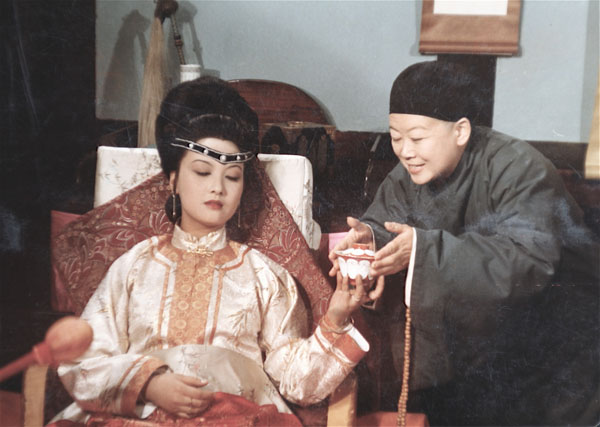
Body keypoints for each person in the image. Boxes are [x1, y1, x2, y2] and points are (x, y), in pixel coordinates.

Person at [52, 76, 383, 426]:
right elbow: (82, 362)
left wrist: (336, 318)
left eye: (233, 176)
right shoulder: (133, 267)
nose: (218, 188)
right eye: (202, 171)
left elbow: (297, 383)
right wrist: (149, 383)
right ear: (173, 180)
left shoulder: (264, 276)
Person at [330, 60, 599, 425]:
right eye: (395, 137)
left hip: (550, 345)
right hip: (475, 347)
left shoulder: (520, 169)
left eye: (417, 138)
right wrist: (371, 241)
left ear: (460, 131)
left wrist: (423, 250)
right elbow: (388, 222)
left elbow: (529, 261)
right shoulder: (409, 173)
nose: (405, 151)